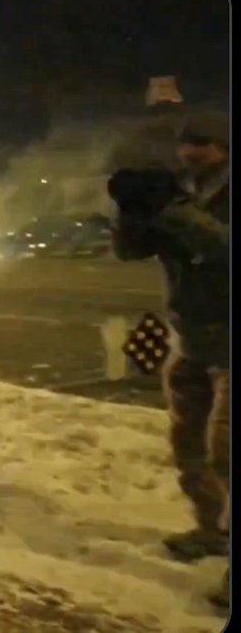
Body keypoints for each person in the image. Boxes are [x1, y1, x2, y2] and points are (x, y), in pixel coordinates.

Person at [108, 109, 229, 608]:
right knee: (189, 445)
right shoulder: (181, 191)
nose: (189, 150)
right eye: (185, 142)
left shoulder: (198, 198)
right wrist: (132, 217)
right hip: (195, 340)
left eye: (201, 141)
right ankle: (210, 529)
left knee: (228, 452)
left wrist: (176, 211)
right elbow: (130, 253)